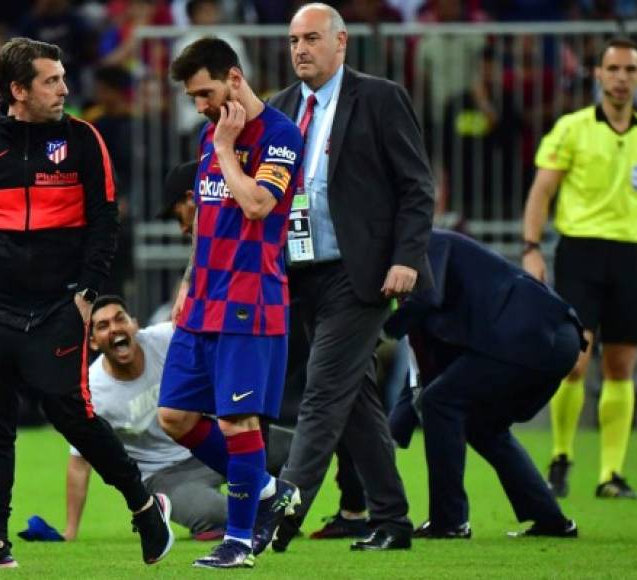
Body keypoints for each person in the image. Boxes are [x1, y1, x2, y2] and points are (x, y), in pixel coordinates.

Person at [0, 37, 173, 568]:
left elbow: (104, 223)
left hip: (57, 307)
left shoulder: (84, 141)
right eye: (51, 80)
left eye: (62, 76)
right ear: (17, 90)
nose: (65, 88)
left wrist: (87, 296)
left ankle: (142, 508)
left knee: (69, 412)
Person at [266, 3, 435, 552]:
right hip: (302, 273)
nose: (300, 50)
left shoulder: (380, 98)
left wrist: (406, 257)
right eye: (294, 40)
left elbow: (416, 186)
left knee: (322, 390)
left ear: (341, 43)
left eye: (311, 39)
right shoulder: (282, 108)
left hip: (361, 275)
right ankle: (392, 520)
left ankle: (282, 514)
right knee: (356, 399)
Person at [156, 37, 304, 568]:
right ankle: (268, 490)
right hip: (203, 299)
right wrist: (187, 281)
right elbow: (207, 216)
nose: (200, 106)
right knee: (173, 414)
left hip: (249, 299)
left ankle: (239, 542)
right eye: (194, 97)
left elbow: (258, 204)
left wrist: (225, 148)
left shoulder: (281, 135)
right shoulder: (208, 134)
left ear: (235, 79)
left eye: (206, 93)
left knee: (237, 424)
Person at [522, 37, 637, 500]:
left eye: (630, 70)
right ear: (598, 75)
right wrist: (531, 247)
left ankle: (611, 473)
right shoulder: (572, 128)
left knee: (622, 364)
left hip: (631, 254)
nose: (622, 78)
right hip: (581, 252)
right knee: (575, 362)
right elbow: (541, 191)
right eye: (613, 69)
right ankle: (561, 457)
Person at [385, 229, 584, 539]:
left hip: (533, 332)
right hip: (553, 338)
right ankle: (550, 519)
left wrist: (380, 329)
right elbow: (423, 379)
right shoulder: (437, 312)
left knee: (441, 402)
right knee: (482, 425)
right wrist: (392, 432)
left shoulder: (428, 243)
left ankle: (448, 521)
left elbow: (427, 298)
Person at [20, 295, 228, 542]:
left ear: (135, 325)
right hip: (165, 476)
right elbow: (80, 462)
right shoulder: (93, 390)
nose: (115, 328)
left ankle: (279, 496)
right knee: (218, 514)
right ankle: (273, 504)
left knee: (278, 452)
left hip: (209, 440)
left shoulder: (166, 339)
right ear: (94, 343)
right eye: (103, 325)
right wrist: (70, 531)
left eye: (120, 319)